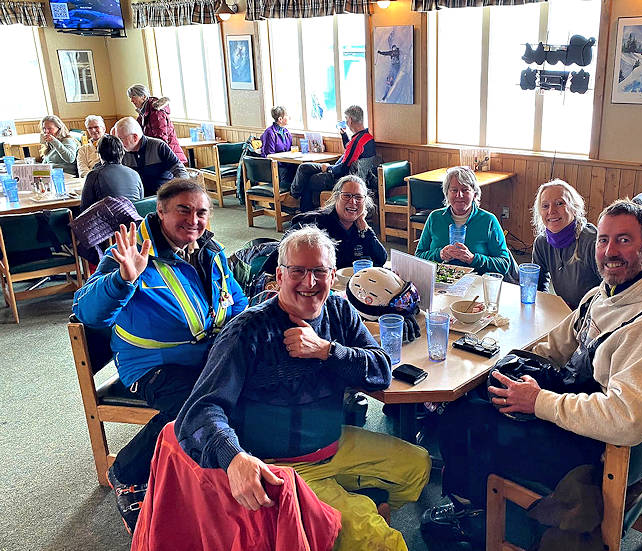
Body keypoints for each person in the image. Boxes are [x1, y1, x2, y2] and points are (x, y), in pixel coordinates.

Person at [423, 200, 642, 549]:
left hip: (599, 450)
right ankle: (474, 501)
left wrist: (538, 402)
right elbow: (554, 347)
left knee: (465, 420)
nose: (610, 251)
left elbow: (628, 420)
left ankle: (471, 517)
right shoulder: (607, 294)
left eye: (624, 240)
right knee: (474, 395)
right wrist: (505, 372)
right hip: (580, 411)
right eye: (604, 240)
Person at [175, 225, 431, 551]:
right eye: (298, 271)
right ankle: (341, 523)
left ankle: (338, 521)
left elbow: (381, 371)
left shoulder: (339, 312)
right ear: (280, 276)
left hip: (332, 445)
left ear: (333, 275)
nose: (309, 283)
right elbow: (199, 412)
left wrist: (325, 350)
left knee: (418, 465)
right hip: (281, 465)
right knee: (381, 542)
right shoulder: (247, 331)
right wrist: (235, 458)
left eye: (319, 272)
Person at [72, 178, 247, 533]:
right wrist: (123, 279)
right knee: (198, 407)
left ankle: (215, 475)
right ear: (161, 211)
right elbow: (88, 313)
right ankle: (127, 470)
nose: (193, 220)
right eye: (183, 210)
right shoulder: (132, 252)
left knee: (256, 388)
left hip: (206, 358)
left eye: (201, 212)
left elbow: (237, 301)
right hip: (153, 368)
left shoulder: (208, 251)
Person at [263, 175, 387, 273]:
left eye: (358, 197)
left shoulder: (361, 228)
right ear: (336, 197)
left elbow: (381, 259)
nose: (353, 201)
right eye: (346, 196)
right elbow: (278, 257)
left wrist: (364, 226)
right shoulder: (313, 222)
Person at [415, 166, 511, 275]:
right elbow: (418, 256)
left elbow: (504, 264)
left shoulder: (488, 220)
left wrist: (473, 259)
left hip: (475, 284)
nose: (459, 195)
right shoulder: (435, 217)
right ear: (447, 193)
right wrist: (439, 254)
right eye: (454, 190)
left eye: (465, 190)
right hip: (440, 282)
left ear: (474, 193)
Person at [531, 179, 601, 309]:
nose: (551, 211)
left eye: (559, 203)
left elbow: (611, 292)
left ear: (574, 208)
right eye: (545, 206)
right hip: (564, 312)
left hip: (594, 315)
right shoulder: (542, 242)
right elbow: (538, 286)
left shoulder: (592, 241)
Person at [290, 105, 375, 212]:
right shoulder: (367, 137)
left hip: (340, 177)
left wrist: (328, 169)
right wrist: (344, 135)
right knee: (304, 167)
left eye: (346, 119)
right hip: (347, 172)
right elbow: (350, 151)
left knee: (308, 178)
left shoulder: (356, 142)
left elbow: (343, 169)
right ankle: (295, 199)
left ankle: (298, 204)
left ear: (350, 120)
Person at [114, 117, 189, 196]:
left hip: (164, 196)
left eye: (121, 139)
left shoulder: (158, 146)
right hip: (138, 199)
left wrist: (179, 191)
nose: (119, 143)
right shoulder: (122, 152)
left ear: (135, 137)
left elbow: (179, 170)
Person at [80, 135, 144, 211]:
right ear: (122, 153)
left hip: (109, 220)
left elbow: (85, 208)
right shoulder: (134, 174)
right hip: (134, 219)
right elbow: (140, 202)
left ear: (99, 154)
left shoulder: (94, 175)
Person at [127, 84, 187, 164]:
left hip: (167, 154)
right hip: (157, 152)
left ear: (143, 96)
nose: (132, 100)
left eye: (133, 97)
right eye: (130, 97)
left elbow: (161, 139)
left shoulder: (156, 112)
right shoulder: (144, 112)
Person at [260, 105, 298, 187]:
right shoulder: (270, 133)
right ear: (280, 119)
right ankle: (289, 196)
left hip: (286, 164)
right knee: (295, 173)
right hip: (274, 168)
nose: (289, 118)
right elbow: (269, 155)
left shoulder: (286, 132)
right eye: (287, 116)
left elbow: (289, 151)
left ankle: (296, 197)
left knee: (301, 169)